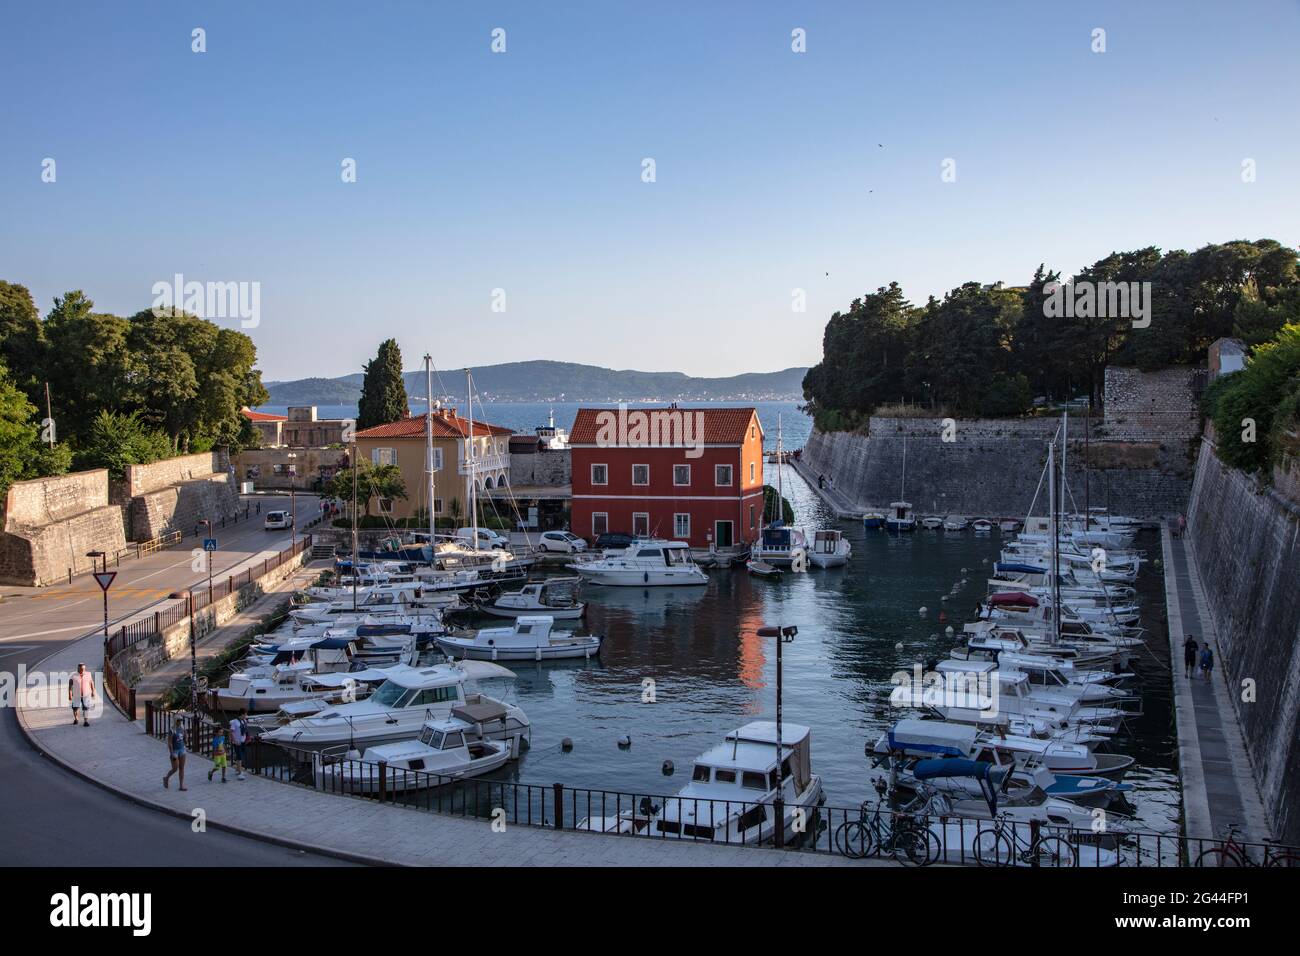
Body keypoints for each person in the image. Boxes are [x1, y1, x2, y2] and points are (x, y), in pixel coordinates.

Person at [163, 722, 187, 790]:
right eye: (178, 720)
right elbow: (170, 743)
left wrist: (186, 738)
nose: (180, 722)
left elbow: (185, 738)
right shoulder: (172, 730)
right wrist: (172, 753)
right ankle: (166, 778)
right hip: (175, 751)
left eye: (181, 720)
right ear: (175, 720)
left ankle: (181, 785)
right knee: (175, 768)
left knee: (182, 768)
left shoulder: (182, 728)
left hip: (182, 749)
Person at [228, 710, 248, 781]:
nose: (246, 716)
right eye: (245, 715)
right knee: (239, 757)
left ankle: (237, 769)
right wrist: (233, 740)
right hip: (237, 742)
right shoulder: (235, 722)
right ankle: (240, 773)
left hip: (243, 741)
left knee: (241, 756)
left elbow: (245, 731)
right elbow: (231, 732)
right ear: (242, 714)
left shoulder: (244, 721)